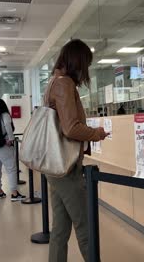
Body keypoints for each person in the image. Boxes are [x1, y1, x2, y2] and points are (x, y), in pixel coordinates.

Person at [44, 39, 108, 262]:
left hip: (55, 166)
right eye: (86, 64)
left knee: (60, 229)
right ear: (78, 62)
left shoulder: (53, 81)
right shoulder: (64, 84)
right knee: (85, 227)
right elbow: (71, 128)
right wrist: (95, 133)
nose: (86, 71)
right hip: (66, 167)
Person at [0, 99, 25, 201]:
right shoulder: (5, 115)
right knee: (11, 169)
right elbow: (8, 126)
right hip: (4, 147)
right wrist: (11, 139)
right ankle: (14, 193)